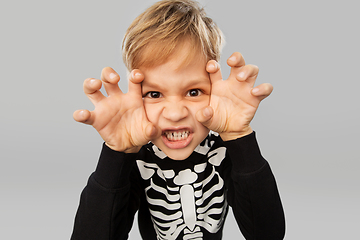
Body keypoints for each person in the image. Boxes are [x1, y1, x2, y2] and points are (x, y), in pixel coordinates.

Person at [71, 0, 285, 239]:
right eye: (154, 94)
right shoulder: (138, 160)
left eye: (194, 92)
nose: (175, 114)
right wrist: (116, 154)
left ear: (214, 91)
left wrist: (239, 137)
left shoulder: (224, 153)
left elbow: (269, 234)